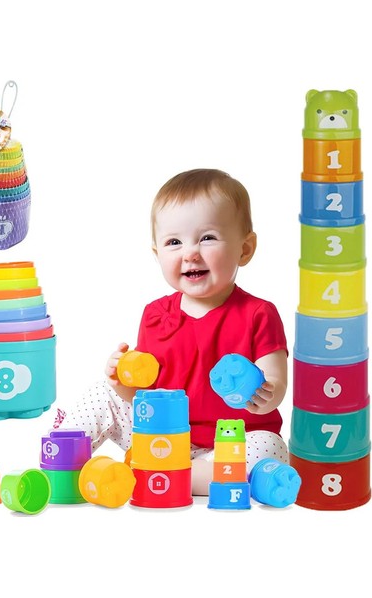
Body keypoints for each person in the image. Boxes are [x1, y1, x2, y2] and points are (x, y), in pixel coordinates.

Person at [54, 169, 288, 494]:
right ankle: (61, 459)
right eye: (174, 242)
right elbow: (146, 398)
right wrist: (122, 384)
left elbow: (275, 382)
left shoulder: (259, 313)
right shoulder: (155, 315)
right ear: (158, 254)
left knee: (269, 449)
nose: (190, 253)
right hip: (162, 436)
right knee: (102, 393)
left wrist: (264, 394)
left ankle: (160, 475)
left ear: (245, 249)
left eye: (207, 238)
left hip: (231, 443)